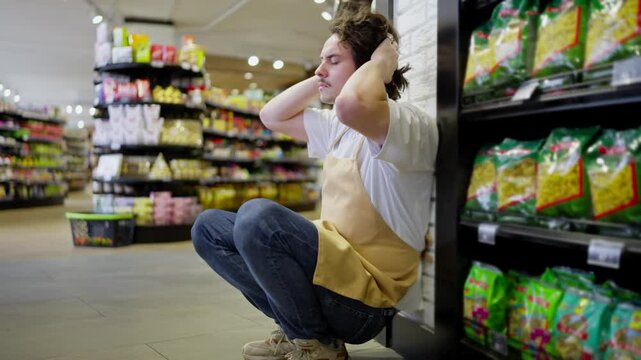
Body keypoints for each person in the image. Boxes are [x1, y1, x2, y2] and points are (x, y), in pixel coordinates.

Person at [191, 6, 438, 360]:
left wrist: (383, 63)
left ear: (367, 66)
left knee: (258, 218)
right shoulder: (339, 126)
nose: (320, 69)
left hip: (365, 302)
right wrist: (327, 76)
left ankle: (316, 342)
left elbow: (353, 103)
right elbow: (271, 115)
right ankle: (299, 331)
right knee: (208, 227)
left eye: (333, 60)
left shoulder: (405, 125)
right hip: (332, 277)